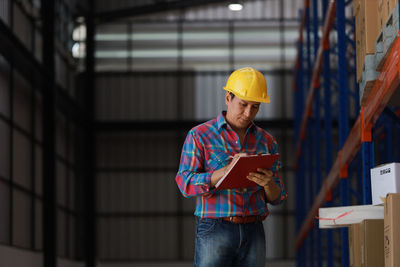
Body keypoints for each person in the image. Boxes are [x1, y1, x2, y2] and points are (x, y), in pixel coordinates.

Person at [175, 67, 288, 267]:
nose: (248, 113)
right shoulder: (200, 136)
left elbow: (277, 197)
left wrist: (269, 183)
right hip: (214, 227)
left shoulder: (267, 141)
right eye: (243, 104)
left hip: (254, 228)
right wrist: (224, 172)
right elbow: (185, 183)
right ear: (228, 98)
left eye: (255, 107)